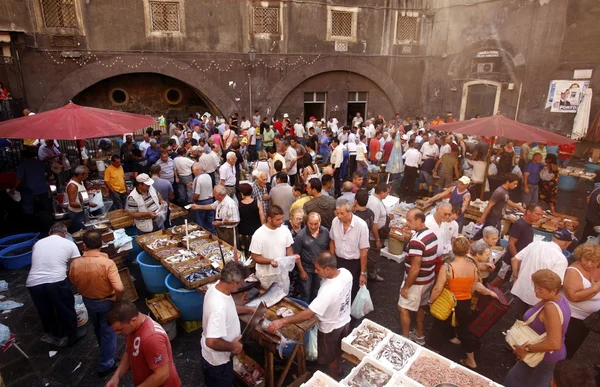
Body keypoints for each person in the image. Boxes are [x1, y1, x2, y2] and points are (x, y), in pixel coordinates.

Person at [267, 251, 351, 378]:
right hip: (345, 321)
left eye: (318, 269)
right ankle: (339, 370)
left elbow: (308, 315)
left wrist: (282, 321)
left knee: (331, 359)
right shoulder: (346, 273)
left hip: (330, 329)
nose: (316, 272)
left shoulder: (328, 290)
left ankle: (333, 379)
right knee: (338, 351)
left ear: (327, 269)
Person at [427, 236, 498, 369]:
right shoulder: (473, 267)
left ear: (453, 250)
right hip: (465, 303)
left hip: (449, 303)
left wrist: (431, 301)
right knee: (464, 331)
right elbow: (473, 287)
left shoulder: (448, 267)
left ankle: (433, 356)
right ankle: (471, 360)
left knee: (438, 327)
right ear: (467, 251)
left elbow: (437, 288)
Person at [69, 230, 123, 377]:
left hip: (88, 301)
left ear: (84, 246)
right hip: (105, 301)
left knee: (98, 327)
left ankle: (104, 351)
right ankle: (106, 364)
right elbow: (119, 287)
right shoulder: (107, 263)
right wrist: (117, 298)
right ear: (101, 244)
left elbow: (73, 281)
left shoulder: (75, 264)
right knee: (109, 331)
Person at [504, 270, 571, 387]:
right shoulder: (559, 298)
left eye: (540, 289)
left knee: (513, 382)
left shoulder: (551, 308)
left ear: (553, 291)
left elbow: (555, 344)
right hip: (546, 356)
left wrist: (526, 349)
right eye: (535, 286)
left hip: (542, 357)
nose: (535, 291)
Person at [27, 222, 85, 347]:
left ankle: (55, 334)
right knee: (65, 306)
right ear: (64, 234)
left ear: (49, 233)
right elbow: (76, 265)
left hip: (33, 282)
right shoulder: (69, 243)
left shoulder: (38, 243)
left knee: (45, 310)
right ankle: (71, 335)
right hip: (56, 280)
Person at [199, 262, 255, 386]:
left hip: (222, 358)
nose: (242, 286)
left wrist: (250, 310)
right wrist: (233, 347)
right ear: (233, 283)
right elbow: (211, 342)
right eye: (241, 283)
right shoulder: (218, 308)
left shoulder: (217, 288)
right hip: (217, 364)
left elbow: (230, 307)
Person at [106, 301, 181, 387]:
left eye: (119, 329)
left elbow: (162, 375)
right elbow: (129, 352)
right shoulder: (132, 327)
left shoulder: (152, 339)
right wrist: (116, 377)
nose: (117, 333)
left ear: (133, 320)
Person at [397, 208, 439, 345]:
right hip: (428, 279)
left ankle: (405, 339)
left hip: (417, 282)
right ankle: (419, 335)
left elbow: (415, 268)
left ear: (419, 221)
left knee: (403, 308)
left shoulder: (417, 242)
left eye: (409, 220)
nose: (407, 223)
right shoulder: (431, 234)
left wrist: (406, 287)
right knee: (421, 307)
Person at [511, 228, 574, 319]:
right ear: (567, 244)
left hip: (522, 288)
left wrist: (515, 276)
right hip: (538, 298)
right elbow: (555, 284)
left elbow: (515, 259)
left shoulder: (535, 244)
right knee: (530, 324)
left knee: (519, 317)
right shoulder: (561, 259)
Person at [491, 203, 544, 288]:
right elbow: (511, 243)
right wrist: (517, 259)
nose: (539, 217)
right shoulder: (520, 224)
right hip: (511, 261)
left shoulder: (529, 225)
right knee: (500, 279)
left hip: (517, 260)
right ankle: (483, 295)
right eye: (537, 214)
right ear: (529, 212)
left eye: (541, 215)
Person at [562, 243, 600, 359]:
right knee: (563, 349)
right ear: (580, 256)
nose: (589, 264)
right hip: (570, 318)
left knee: (571, 350)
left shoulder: (596, 269)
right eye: (586, 259)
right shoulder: (573, 271)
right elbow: (572, 296)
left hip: (586, 320)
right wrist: (594, 289)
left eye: (593, 261)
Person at [249, 205, 298, 294]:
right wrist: (270, 261)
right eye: (278, 219)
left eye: (281, 218)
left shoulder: (284, 230)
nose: (281, 221)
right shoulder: (258, 234)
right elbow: (255, 257)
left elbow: (288, 247)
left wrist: (291, 257)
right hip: (265, 277)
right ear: (269, 219)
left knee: (284, 300)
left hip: (282, 274)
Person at [329, 198, 370, 302]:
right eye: (337, 213)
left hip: (354, 264)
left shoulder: (361, 226)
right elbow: (332, 241)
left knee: (352, 291)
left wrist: (362, 273)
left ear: (350, 211)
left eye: (342, 213)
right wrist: (332, 261)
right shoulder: (335, 222)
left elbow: (363, 251)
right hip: (338, 261)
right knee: (337, 290)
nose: (339, 216)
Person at [293, 212, 331, 303]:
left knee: (317, 291)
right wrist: (301, 271)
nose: (313, 227)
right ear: (306, 223)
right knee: (305, 292)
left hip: (321, 268)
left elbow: (329, 249)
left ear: (320, 222)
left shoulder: (326, 232)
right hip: (307, 269)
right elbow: (296, 256)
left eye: (316, 224)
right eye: (311, 224)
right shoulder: (301, 236)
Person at [366, 183, 390, 281]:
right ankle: (370, 274)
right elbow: (374, 224)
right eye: (387, 193)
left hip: (378, 234)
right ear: (381, 192)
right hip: (374, 236)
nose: (388, 195)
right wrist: (377, 239)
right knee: (373, 257)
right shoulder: (375, 203)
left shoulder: (376, 199)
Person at [238, 183, 265, 257]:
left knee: (245, 252)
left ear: (242, 193)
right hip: (256, 231)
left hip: (243, 232)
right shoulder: (257, 203)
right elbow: (262, 217)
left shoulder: (238, 205)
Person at [65, 165, 94, 232]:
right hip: (77, 213)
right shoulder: (73, 186)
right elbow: (72, 203)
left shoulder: (80, 182)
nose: (87, 176)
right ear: (81, 175)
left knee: (86, 229)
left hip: (83, 210)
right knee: (80, 232)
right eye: (86, 175)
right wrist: (88, 204)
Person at [191, 163, 215, 234]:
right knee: (210, 220)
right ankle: (211, 234)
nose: (192, 172)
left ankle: (201, 235)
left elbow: (197, 194)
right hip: (210, 200)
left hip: (201, 201)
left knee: (200, 221)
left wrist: (193, 201)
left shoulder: (197, 179)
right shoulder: (208, 176)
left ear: (197, 170)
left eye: (193, 170)